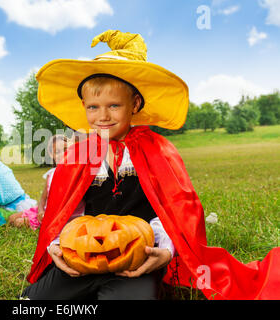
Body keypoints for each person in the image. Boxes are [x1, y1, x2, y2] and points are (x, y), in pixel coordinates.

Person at [23, 30, 279, 300]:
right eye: (93, 107)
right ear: (84, 107)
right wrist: (57, 245)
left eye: (113, 105)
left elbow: (176, 209)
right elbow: (66, 212)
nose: (103, 116)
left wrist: (164, 251)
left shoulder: (156, 149)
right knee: (32, 302)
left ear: (134, 104)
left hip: (140, 257)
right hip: (84, 256)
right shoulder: (78, 154)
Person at [9, 134, 74, 229]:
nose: (62, 154)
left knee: (18, 222)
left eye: (65, 150)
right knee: (12, 218)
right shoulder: (51, 174)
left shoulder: (73, 174)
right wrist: (40, 211)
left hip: (53, 216)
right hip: (43, 211)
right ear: (52, 155)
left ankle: (30, 221)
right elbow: (43, 198)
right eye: (57, 152)